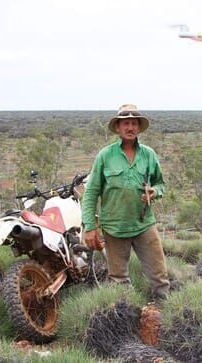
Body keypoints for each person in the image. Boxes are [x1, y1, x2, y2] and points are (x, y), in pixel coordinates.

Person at [82, 104, 170, 301]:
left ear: (138, 127)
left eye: (133, 123)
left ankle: (163, 317)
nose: (130, 127)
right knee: (119, 279)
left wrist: (154, 191)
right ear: (118, 127)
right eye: (125, 123)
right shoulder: (105, 156)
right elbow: (91, 193)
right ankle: (128, 318)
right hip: (114, 228)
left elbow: (161, 184)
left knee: (160, 276)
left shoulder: (149, 155)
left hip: (144, 224)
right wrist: (89, 226)